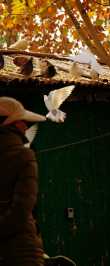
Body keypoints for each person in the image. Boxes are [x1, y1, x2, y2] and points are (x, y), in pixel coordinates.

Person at [0, 96, 46, 266]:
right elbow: (21, 209)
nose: (25, 126)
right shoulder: (24, 156)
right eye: (22, 122)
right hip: (20, 249)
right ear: (14, 124)